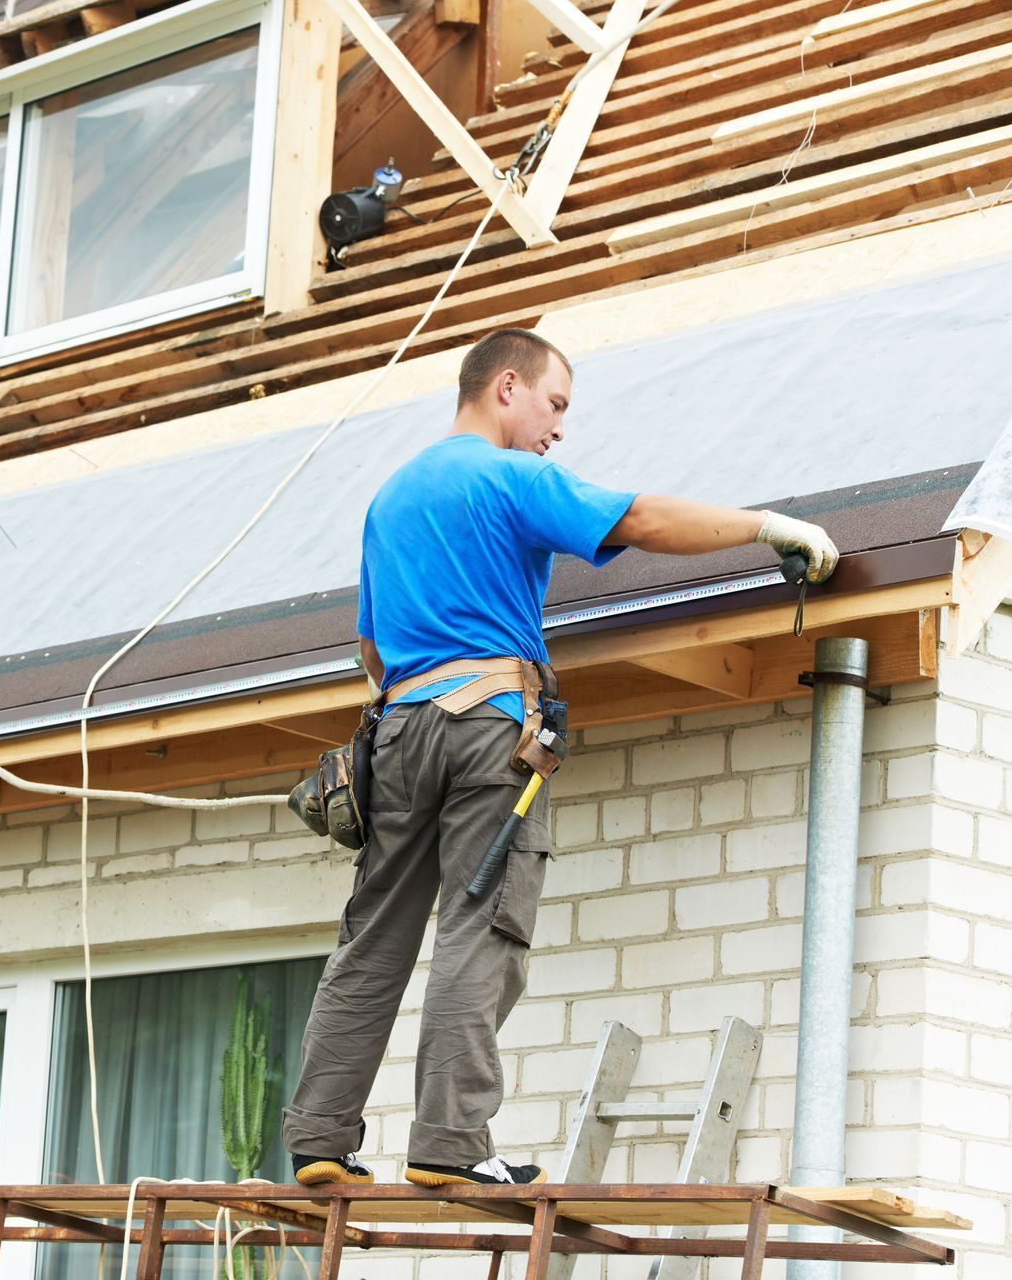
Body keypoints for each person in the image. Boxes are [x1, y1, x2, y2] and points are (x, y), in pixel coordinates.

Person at [283, 328, 837, 1188]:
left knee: (374, 937)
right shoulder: (510, 476)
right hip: (489, 728)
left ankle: (319, 1142)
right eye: (556, 403)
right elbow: (639, 518)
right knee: (483, 923)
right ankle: (449, 1146)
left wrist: (412, 708)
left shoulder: (390, 496)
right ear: (508, 386)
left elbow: (368, 643)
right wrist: (770, 526)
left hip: (394, 729)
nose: (559, 429)